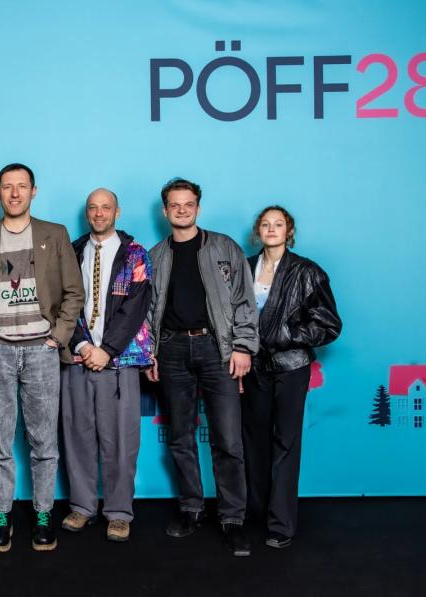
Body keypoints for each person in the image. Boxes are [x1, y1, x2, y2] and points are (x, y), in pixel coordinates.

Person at [0, 163, 84, 552]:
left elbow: (73, 292)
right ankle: (3, 516)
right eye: (7, 187)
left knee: (44, 441)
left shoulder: (55, 234)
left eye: (21, 186)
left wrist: (57, 338)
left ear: (33, 191)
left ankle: (43, 515)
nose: (14, 193)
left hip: (42, 350)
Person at [145, 177, 258, 557]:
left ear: (197, 207)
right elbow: (148, 311)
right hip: (172, 350)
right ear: (165, 211)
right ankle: (191, 508)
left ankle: (232, 518)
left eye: (188, 204)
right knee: (181, 437)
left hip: (217, 349)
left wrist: (242, 347)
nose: (182, 210)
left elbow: (244, 301)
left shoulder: (224, 247)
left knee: (228, 439)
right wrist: (150, 354)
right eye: (174, 205)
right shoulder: (155, 255)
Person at [241, 205, 341, 549]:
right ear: (258, 231)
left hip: (291, 366)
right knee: (253, 441)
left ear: (289, 231)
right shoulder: (245, 267)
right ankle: (257, 512)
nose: (271, 229)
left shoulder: (307, 272)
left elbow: (329, 324)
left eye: (278, 224)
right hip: (253, 367)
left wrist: (286, 334)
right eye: (265, 224)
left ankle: (281, 523)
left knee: (285, 442)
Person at [60, 188, 154, 542]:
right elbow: (61, 303)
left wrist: (108, 350)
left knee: (120, 441)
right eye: (93, 208)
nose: (99, 213)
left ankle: (118, 511)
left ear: (117, 212)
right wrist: (83, 345)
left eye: (106, 207)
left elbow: (136, 307)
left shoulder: (135, 254)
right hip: (78, 358)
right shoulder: (72, 251)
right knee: (77, 436)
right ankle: (82, 506)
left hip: (119, 361)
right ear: (87, 212)